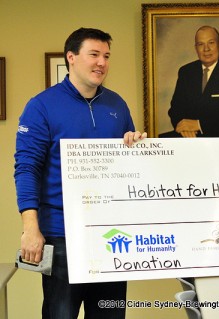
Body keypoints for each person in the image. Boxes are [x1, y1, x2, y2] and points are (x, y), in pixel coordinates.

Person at [14, 27, 146, 318]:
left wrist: (135, 148)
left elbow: (127, 169)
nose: (102, 63)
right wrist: (30, 228)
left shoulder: (117, 104)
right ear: (71, 57)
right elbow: (26, 168)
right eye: (94, 54)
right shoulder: (41, 107)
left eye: (107, 56)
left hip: (111, 234)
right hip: (61, 235)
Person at [166, 25, 219, 137]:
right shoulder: (186, 72)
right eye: (200, 44)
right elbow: (175, 109)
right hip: (189, 141)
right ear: (196, 48)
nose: (206, 49)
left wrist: (199, 125)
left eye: (211, 43)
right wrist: (183, 127)